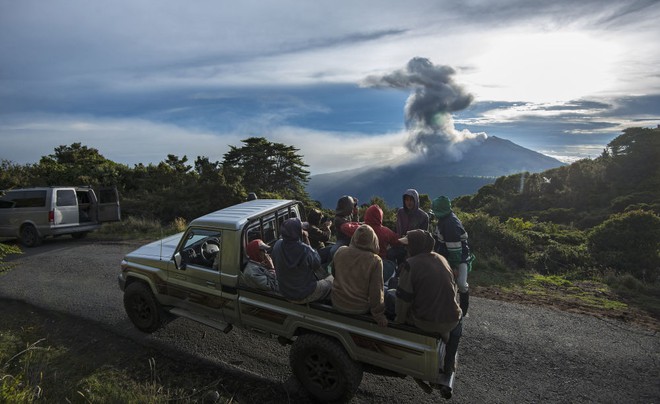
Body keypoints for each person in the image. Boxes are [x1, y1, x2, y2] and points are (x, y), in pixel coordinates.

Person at [392, 229, 461, 373]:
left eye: (407, 245)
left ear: (416, 246)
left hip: (426, 322)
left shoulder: (411, 264)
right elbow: (452, 290)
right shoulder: (442, 259)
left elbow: (403, 299)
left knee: (390, 294)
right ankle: (449, 358)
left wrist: (399, 321)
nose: (405, 248)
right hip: (452, 319)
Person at [331, 224, 388, 327]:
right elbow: (376, 291)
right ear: (374, 239)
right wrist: (379, 315)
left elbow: (334, 274)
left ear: (354, 237)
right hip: (359, 308)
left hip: (337, 303)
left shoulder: (340, 250)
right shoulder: (375, 260)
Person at [272, 217, 333, 304]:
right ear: (298, 232)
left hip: (285, 291)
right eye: (301, 229)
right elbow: (317, 263)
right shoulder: (305, 249)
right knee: (332, 280)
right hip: (304, 294)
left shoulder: (277, 244)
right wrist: (306, 240)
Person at [431, 195, 471, 316]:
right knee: (447, 284)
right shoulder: (444, 220)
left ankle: (463, 311)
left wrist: (454, 267)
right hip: (446, 256)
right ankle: (449, 309)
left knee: (461, 284)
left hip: (458, 258)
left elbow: (455, 250)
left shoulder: (450, 224)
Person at [388, 189, 429, 266]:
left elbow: (423, 237)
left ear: (416, 200)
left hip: (413, 249)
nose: (408, 202)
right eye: (406, 200)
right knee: (389, 254)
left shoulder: (423, 216)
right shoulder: (400, 212)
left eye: (411, 200)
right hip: (399, 245)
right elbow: (396, 228)